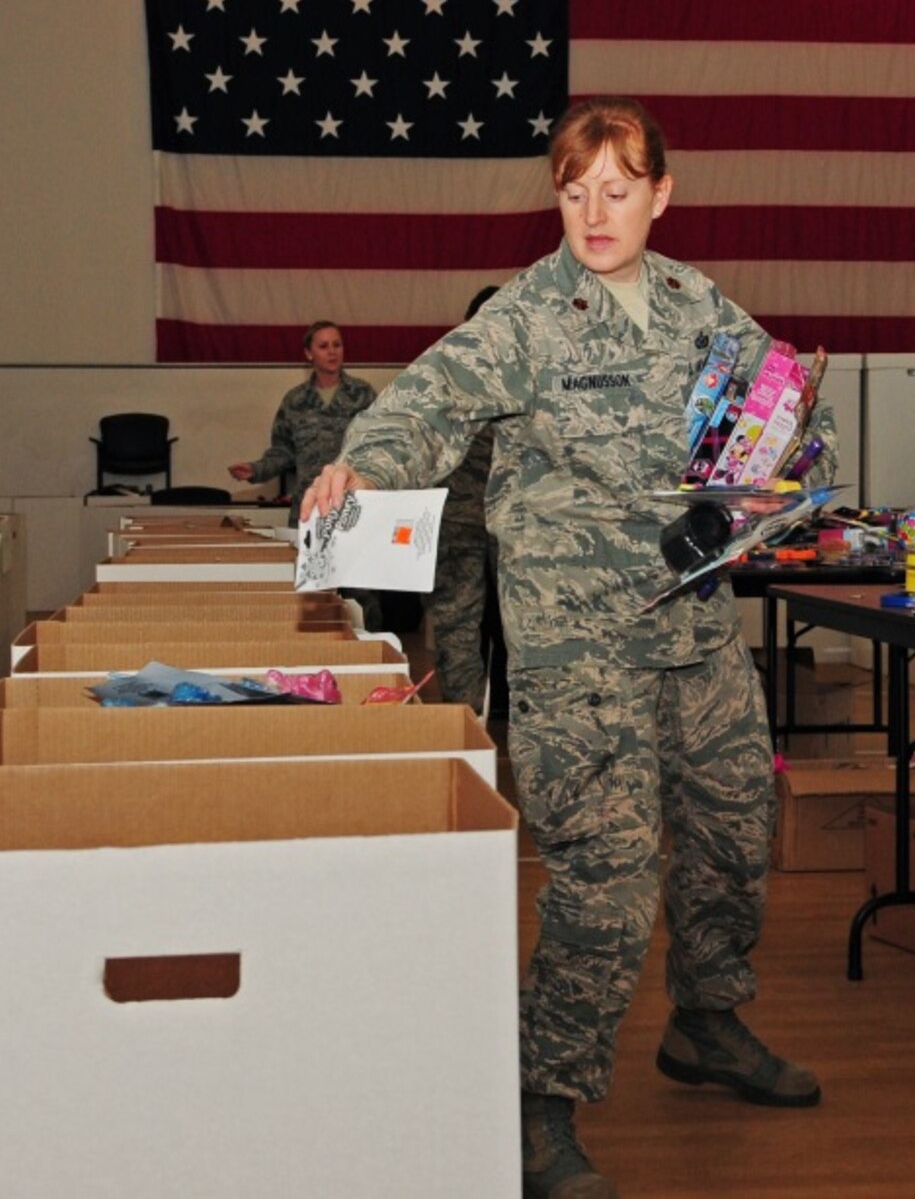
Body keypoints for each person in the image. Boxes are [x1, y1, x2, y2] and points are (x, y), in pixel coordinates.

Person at [300, 98, 834, 1199]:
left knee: (736, 826)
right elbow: (429, 401)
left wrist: (763, 477)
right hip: (573, 647)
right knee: (605, 877)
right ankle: (539, 1101)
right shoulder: (528, 316)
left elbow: (782, 417)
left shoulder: (698, 302)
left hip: (693, 628)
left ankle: (705, 1018)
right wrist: (358, 460)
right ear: (557, 194)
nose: (596, 211)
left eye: (619, 187)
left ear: (659, 192)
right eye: (575, 188)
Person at [428, 286, 507, 729]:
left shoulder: (444, 371)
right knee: (463, 625)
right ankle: (466, 716)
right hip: (468, 522)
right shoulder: (522, 371)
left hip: (492, 522)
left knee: (466, 625)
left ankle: (465, 720)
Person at [229, 320, 377, 524]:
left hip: (352, 503)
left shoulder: (362, 394)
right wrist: (256, 469)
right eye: (323, 346)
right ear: (309, 354)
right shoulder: (295, 400)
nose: (332, 352)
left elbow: (377, 447)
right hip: (309, 504)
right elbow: (283, 451)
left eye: (337, 345)